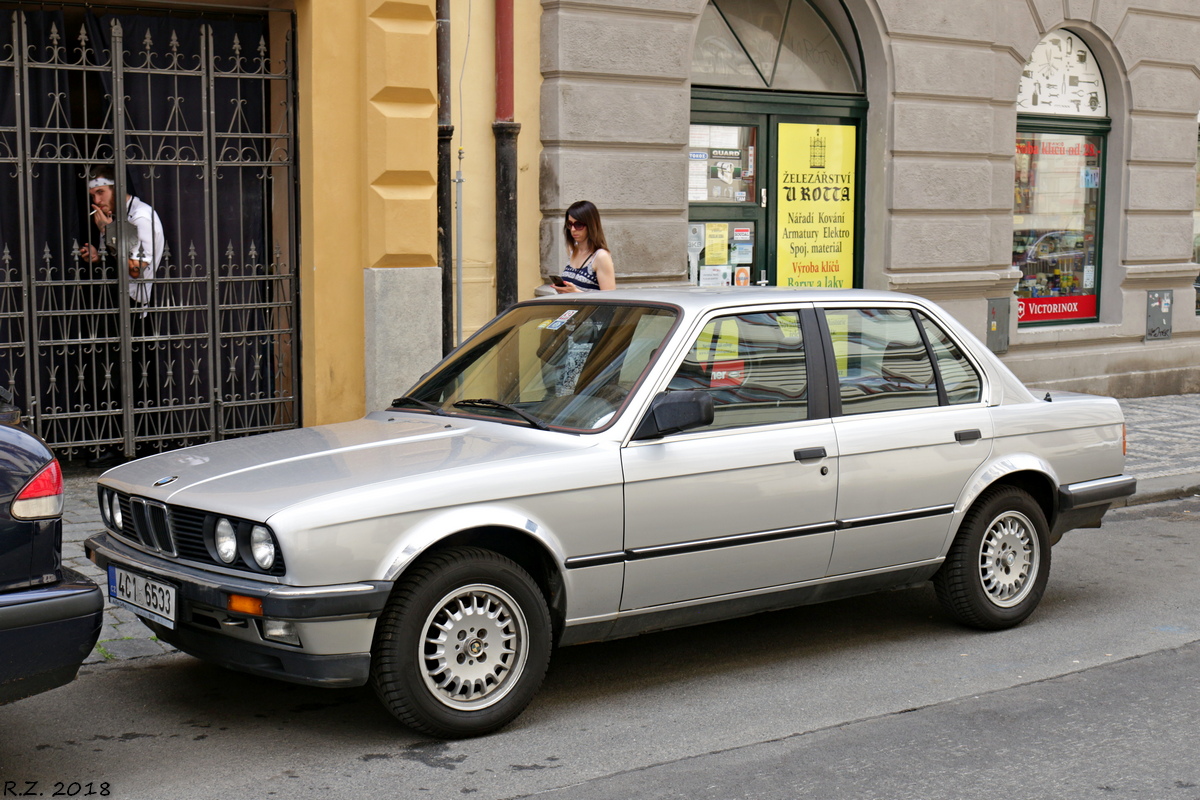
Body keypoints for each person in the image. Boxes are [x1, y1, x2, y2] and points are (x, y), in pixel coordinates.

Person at [78, 165, 165, 308]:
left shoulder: (141, 217)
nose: (96, 201)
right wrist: (98, 256)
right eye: (93, 195)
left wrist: (108, 231)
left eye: (100, 192)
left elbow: (136, 270)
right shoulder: (113, 214)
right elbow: (117, 255)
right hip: (112, 297)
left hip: (131, 302)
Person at [554, 200, 615, 292]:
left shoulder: (601, 256)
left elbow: (609, 299)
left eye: (578, 225)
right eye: (570, 224)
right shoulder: (572, 250)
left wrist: (575, 292)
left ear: (591, 225)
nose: (573, 229)